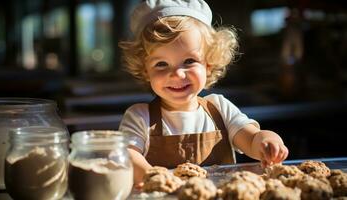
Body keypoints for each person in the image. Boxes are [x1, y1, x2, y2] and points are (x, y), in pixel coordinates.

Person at [119, 0, 289, 185]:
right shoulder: (139, 117)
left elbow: (251, 138)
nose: (177, 74)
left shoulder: (219, 108)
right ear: (146, 71)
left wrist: (268, 141)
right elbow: (128, 155)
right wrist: (157, 179)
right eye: (161, 64)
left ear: (208, 65)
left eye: (189, 61)